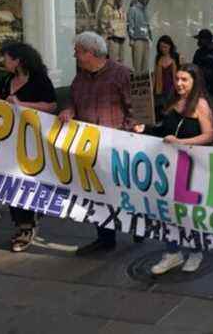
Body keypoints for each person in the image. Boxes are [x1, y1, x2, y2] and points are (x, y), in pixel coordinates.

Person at [134, 64, 213, 274]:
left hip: (191, 167)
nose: (179, 83)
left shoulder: (201, 105)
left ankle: (196, 251)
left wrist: (181, 141)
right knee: (167, 211)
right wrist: (146, 128)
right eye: (177, 79)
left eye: (184, 80)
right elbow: (164, 129)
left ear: (194, 82)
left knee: (190, 212)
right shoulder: (172, 101)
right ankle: (173, 252)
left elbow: (209, 135)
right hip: (167, 167)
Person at [59, 31, 135, 256]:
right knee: (97, 194)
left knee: (124, 193)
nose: (74, 56)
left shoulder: (123, 74)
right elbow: (73, 99)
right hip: (89, 146)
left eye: (77, 52)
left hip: (116, 146)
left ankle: (139, 227)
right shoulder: (80, 76)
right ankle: (105, 238)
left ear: (90, 53)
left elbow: (138, 110)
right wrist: (68, 110)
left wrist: (127, 135)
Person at [0, 42, 57, 251]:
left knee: (26, 181)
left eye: (6, 58)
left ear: (18, 60)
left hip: (31, 141)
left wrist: (22, 105)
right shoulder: (5, 81)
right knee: (9, 182)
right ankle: (20, 224)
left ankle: (27, 225)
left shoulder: (39, 81)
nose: (4, 62)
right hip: (8, 140)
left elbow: (51, 105)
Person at [153, 35, 181, 121]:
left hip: (172, 88)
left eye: (165, 47)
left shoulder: (176, 57)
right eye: (161, 47)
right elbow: (155, 74)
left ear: (170, 46)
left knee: (170, 110)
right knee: (159, 111)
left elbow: (181, 72)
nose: (163, 49)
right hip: (159, 89)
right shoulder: (158, 58)